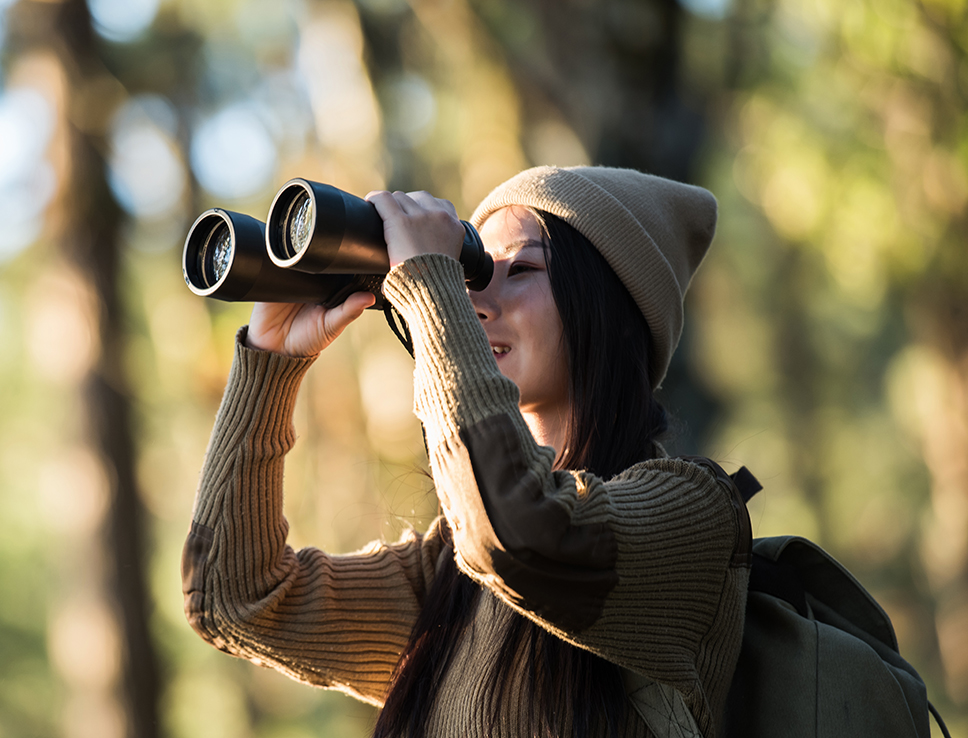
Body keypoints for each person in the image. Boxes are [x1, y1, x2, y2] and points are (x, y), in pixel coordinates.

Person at [182, 166, 751, 738]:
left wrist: (430, 282)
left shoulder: (694, 513)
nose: (476, 301)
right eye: (471, 273)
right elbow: (236, 599)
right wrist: (271, 361)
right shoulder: (445, 577)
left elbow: (523, 535)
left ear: (612, 303)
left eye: (522, 268)